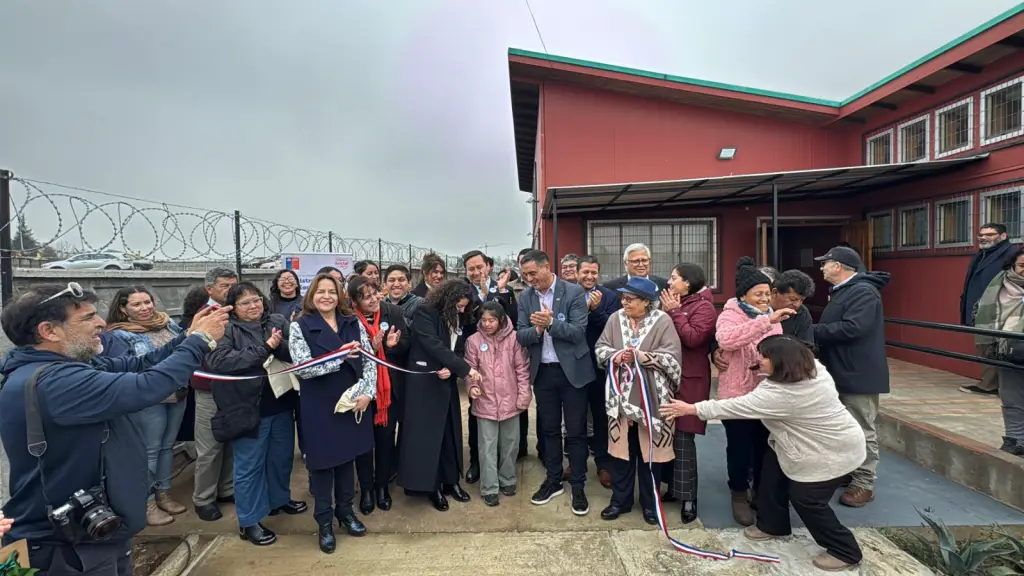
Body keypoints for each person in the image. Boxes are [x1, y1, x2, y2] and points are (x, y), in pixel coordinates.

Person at [0, 283, 228, 575]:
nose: (100, 324)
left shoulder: (68, 366)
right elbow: (147, 386)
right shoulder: (56, 382)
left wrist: (185, 337)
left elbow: (138, 364)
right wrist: (201, 340)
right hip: (69, 547)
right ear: (49, 331)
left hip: (93, 531)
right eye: (87, 318)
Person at [660, 335, 865, 572]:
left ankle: (844, 550)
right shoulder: (813, 369)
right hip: (795, 445)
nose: (760, 360)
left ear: (782, 361)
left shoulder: (785, 395)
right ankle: (772, 525)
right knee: (771, 474)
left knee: (806, 499)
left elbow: (736, 406)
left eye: (765, 356)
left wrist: (691, 408)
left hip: (830, 451)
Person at [205, 282, 305, 546]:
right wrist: (265, 348)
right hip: (247, 409)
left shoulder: (276, 320)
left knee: (280, 458)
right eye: (245, 302)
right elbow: (219, 361)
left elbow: (294, 353)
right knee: (249, 467)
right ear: (233, 308)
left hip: (281, 403)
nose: (253, 306)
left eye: (256, 300)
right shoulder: (225, 328)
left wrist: (281, 342)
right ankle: (248, 521)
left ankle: (279, 500)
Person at [288, 272, 376, 553]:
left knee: (348, 460)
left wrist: (368, 392)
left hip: (351, 401)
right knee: (324, 465)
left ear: (340, 296)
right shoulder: (300, 326)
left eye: (332, 291)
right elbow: (302, 367)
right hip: (320, 403)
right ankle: (324, 521)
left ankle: (346, 512)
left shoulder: (352, 322)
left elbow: (369, 360)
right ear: (311, 295)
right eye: (320, 291)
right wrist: (338, 357)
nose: (326, 296)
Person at [594, 277, 682, 525]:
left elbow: (673, 358)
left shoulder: (662, 321)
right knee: (622, 453)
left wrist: (641, 357)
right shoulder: (615, 319)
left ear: (646, 302)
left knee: (650, 455)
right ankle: (619, 501)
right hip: (620, 397)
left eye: (630, 299)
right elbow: (600, 348)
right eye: (623, 298)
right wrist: (616, 355)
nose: (624, 302)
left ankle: (650, 503)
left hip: (651, 398)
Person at [715, 256, 794, 526]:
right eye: (758, 294)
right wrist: (765, 321)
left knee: (763, 447)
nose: (764, 298)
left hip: (766, 395)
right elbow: (727, 339)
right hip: (737, 395)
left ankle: (760, 493)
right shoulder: (729, 314)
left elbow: (776, 348)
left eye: (767, 293)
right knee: (738, 448)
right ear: (743, 295)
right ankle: (738, 494)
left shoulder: (772, 316)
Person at [103, 287, 190, 527]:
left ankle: (163, 491)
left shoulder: (167, 323)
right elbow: (130, 367)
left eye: (147, 302)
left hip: (177, 393)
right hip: (149, 399)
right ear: (123, 309)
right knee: (149, 451)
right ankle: (146, 501)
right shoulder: (118, 336)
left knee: (166, 447)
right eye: (137, 304)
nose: (145, 308)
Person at [516, 250, 594, 515]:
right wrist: (537, 330)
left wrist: (549, 324)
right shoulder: (526, 297)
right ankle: (553, 479)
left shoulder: (572, 292)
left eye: (533, 273)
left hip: (572, 372)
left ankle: (579, 484)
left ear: (547, 267)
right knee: (548, 430)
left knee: (576, 431)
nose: (529, 279)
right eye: (525, 275)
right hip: (543, 373)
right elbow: (520, 335)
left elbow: (577, 332)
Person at [813, 246, 890, 508]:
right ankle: (848, 470)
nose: (821, 267)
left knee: (861, 427)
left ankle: (864, 482)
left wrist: (813, 331)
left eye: (826, 262)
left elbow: (854, 328)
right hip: (841, 370)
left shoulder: (863, 292)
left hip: (858, 373)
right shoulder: (845, 291)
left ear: (840, 266)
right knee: (841, 426)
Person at [397, 280, 482, 511]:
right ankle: (430, 487)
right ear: (448, 299)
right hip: (424, 382)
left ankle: (451, 481)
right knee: (428, 437)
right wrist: (464, 369)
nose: (462, 310)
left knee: (449, 434)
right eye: (459, 306)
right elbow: (432, 344)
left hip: (445, 381)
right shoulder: (425, 312)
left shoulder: (457, 317)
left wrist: (452, 367)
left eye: (465, 307)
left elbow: (456, 347)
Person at [657, 263, 716, 524]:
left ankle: (689, 497)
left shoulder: (703, 307)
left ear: (688, 283)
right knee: (666, 434)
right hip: (667, 376)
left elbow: (693, 339)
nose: (670, 282)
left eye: (674, 278)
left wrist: (674, 312)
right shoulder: (677, 301)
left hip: (689, 379)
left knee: (683, 437)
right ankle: (672, 487)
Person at [350, 275, 410, 515]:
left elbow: (407, 342)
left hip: (388, 391)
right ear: (355, 301)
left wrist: (392, 346)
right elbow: (347, 355)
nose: (373, 299)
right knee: (363, 443)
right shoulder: (348, 318)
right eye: (366, 297)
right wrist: (372, 349)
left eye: (375, 293)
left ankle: (382, 486)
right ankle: (366, 488)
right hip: (362, 391)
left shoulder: (392, 312)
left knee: (385, 440)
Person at [464, 302, 532, 506]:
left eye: (491, 320)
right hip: (485, 402)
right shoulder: (473, 341)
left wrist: (523, 396)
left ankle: (508, 479)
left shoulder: (514, 339)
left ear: (501, 320)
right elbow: (469, 368)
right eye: (483, 320)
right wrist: (472, 386)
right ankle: (489, 487)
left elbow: (522, 369)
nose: (487, 324)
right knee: (487, 446)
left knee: (510, 444)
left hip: (510, 400)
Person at [461, 249, 517, 485]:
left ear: (489, 266)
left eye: (479, 267)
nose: (476, 272)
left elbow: (511, 318)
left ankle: (508, 467)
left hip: (504, 363)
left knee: (510, 422)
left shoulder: (505, 289)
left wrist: (494, 293)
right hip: (477, 361)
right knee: (478, 418)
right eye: (470, 269)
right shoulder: (462, 292)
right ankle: (477, 462)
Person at [191, 267, 239, 522]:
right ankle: (203, 498)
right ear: (210, 289)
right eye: (225, 286)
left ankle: (226, 489)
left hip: (233, 389)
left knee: (230, 441)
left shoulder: (235, 313)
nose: (231, 290)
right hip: (210, 389)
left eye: (234, 285)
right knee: (209, 447)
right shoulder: (206, 316)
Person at [971, 244, 1024, 459]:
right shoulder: (998, 285)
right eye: (1022, 265)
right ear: (1012, 265)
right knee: (1011, 397)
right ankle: (1015, 439)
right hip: (1006, 350)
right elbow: (982, 312)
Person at [576, 255, 620, 489]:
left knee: (602, 418)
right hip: (574, 366)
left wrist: (595, 310)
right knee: (577, 418)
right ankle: (577, 463)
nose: (590, 277)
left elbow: (612, 329)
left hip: (601, 368)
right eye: (586, 272)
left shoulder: (610, 296)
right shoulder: (569, 294)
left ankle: (604, 464)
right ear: (577, 273)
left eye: (594, 273)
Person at [961, 223, 1012, 396]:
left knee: (995, 347)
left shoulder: (1011, 253)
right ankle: (991, 384)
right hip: (980, 310)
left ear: (1003, 236)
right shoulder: (981, 254)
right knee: (986, 346)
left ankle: (991, 386)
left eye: (989, 234)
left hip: (1000, 308)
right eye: (981, 235)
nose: (983, 237)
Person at [602, 243, 669, 292]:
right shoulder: (610, 287)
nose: (641, 264)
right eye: (636, 261)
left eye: (644, 260)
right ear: (626, 263)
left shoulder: (663, 285)